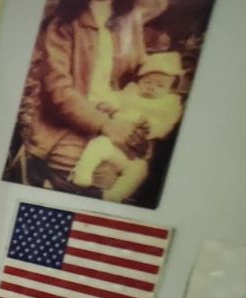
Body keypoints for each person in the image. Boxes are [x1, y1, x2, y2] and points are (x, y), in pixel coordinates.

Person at [19, 0, 170, 199]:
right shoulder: (64, 23)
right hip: (65, 125)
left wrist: (158, 81)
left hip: (116, 114)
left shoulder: (127, 17)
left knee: (137, 170)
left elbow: (139, 69)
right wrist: (105, 124)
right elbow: (59, 91)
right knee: (97, 178)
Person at [72, 51, 184, 202]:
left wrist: (152, 128)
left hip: (135, 155)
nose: (152, 87)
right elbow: (115, 99)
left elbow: (167, 126)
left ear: (170, 89)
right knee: (98, 144)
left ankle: (115, 196)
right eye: (148, 82)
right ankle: (82, 173)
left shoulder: (168, 105)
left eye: (160, 85)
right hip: (113, 146)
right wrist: (107, 105)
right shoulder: (130, 93)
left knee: (140, 170)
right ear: (139, 80)